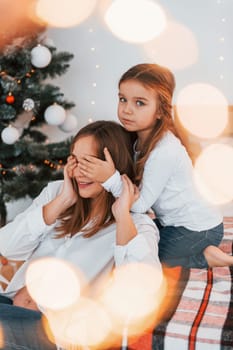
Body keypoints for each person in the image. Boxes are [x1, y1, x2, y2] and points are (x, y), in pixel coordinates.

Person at [0, 120, 162, 349]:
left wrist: (122, 214)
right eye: (75, 160)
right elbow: (7, 247)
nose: (79, 171)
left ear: (115, 167)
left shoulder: (135, 223)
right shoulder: (56, 193)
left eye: (90, 163)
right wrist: (63, 201)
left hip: (53, 334)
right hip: (11, 307)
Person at [78, 63, 233, 269]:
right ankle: (202, 251)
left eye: (139, 103)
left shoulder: (164, 151)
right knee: (129, 238)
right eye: (123, 99)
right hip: (174, 223)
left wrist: (109, 178)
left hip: (198, 228)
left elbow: (141, 206)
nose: (127, 109)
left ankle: (208, 257)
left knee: (142, 254)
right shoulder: (136, 139)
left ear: (160, 110)